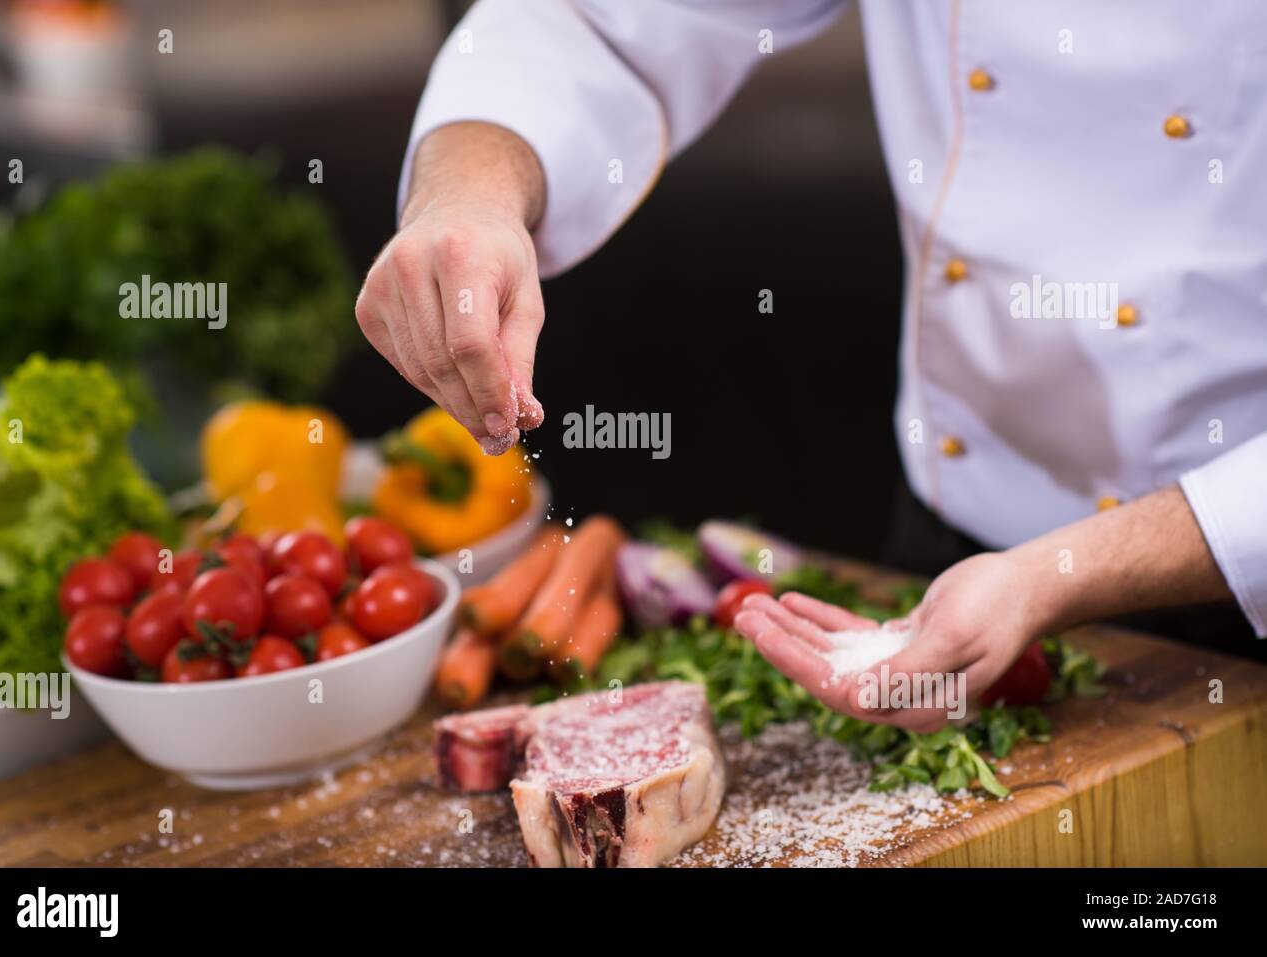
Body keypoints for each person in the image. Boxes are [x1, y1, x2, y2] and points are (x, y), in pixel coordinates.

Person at [354, 1, 1267, 728]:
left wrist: (1061, 575)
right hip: (957, 565)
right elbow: (603, 21)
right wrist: (467, 195)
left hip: (1236, 581)